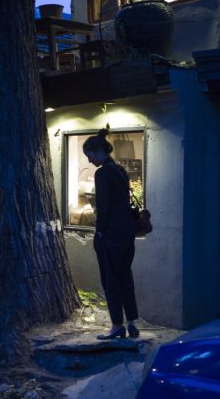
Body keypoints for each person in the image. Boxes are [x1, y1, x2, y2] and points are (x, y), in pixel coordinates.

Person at [82, 127, 140, 339]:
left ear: (98, 151)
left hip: (111, 234)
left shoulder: (102, 173)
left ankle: (116, 325)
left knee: (110, 279)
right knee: (125, 276)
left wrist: (100, 232)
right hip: (127, 232)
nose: (89, 161)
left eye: (89, 156)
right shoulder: (120, 170)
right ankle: (132, 323)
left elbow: (103, 207)